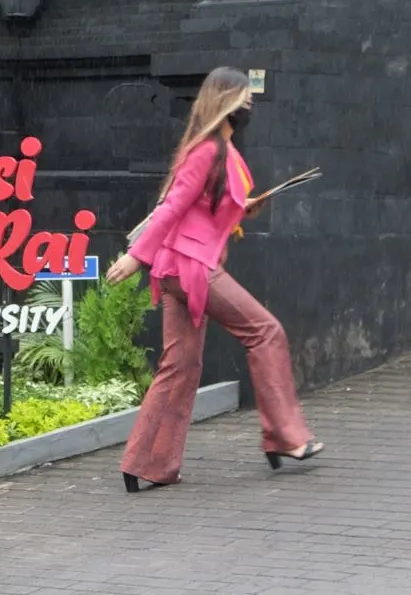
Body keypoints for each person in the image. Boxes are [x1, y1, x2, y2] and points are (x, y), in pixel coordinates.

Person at [106, 66, 323, 493]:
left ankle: (146, 463)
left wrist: (246, 208)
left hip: (178, 267)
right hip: (191, 266)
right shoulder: (208, 150)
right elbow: (171, 207)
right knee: (266, 331)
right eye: (244, 97)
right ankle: (285, 438)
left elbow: (204, 207)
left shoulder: (221, 151)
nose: (250, 104)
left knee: (181, 366)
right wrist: (135, 258)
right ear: (224, 101)